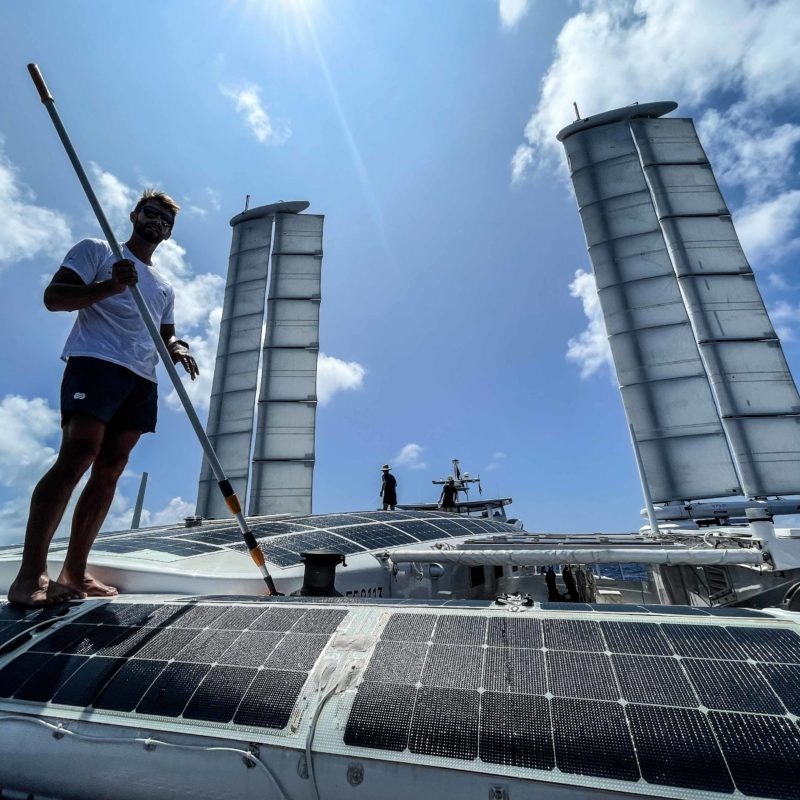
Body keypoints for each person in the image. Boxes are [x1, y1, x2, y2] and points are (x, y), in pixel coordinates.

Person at [8, 190, 198, 608]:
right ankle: (29, 577)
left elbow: (166, 335)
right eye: (152, 214)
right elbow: (55, 298)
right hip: (96, 362)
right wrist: (110, 285)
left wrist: (178, 348)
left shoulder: (164, 287)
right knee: (79, 453)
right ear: (134, 214)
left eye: (167, 222)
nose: (158, 224)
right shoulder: (97, 251)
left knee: (111, 467)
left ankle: (74, 572)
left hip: (140, 379)